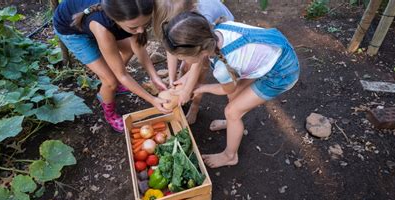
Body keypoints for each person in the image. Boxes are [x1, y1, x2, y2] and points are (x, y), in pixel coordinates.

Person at [162, 12, 299, 168]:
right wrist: (185, 81)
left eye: (183, 58)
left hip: (281, 72)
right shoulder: (215, 33)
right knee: (235, 97)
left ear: (201, 51)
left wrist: (200, 88)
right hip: (272, 51)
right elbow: (200, 62)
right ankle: (232, 123)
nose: (182, 61)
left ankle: (230, 156)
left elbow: (226, 89)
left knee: (232, 111)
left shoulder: (222, 68)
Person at [53, 0, 170, 133]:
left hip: (96, 22)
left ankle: (114, 85)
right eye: (134, 28)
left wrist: (154, 77)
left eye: (145, 24)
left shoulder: (135, 11)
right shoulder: (102, 28)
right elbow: (123, 74)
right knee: (110, 81)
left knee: (128, 50)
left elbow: (138, 47)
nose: (141, 30)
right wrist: (153, 100)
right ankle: (110, 114)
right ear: (116, 19)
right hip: (70, 29)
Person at [152, 0, 234, 124]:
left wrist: (187, 90)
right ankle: (180, 91)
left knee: (199, 68)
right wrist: (171, 79)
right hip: (199, 36)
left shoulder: (202, 19)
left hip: (219, 30)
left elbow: (199, 64)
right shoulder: (177, 23)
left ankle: (194, 107)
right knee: (186, 66)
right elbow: (172, 51)